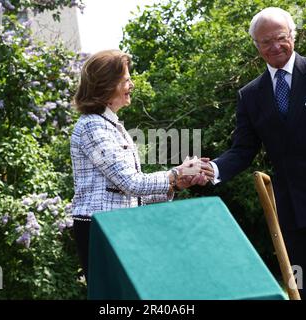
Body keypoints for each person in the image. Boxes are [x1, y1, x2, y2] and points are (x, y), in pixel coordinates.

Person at [208, 7, 306, 299]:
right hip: (293, 210)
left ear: (292, 36)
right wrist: (213, 170)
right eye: (265, 42)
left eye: (280, 38)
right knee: (305, 289)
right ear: (256, 46)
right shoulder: (250, 95)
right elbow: (242, 150)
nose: (274, 46)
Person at [70, 49, 214, 280]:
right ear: (107, 86)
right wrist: (176, 173)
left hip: (119, 226)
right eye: (126, 80)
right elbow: (131, 183)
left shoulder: (110, 125)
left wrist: (176, 184)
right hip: (102, 230)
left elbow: (128, 195)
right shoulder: (92, 127)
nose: (132, 85)